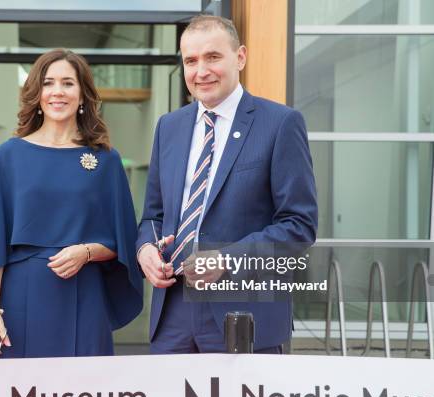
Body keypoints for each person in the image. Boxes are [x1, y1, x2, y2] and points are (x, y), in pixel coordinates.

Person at [136, 15, 318, 354]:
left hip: (246, 311)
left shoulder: (280, 124)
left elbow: (299, 226)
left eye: (213, 57)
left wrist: (227, 259)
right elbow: (153, 215)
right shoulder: (169, 128)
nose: (200, 70)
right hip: (173, 313)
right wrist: (145, 249)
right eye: (190, 60)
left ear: (241, 57)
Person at [0, 49, 143, 358]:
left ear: (82, 95)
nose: (57, 92)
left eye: (68, 83)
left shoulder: (106, 160)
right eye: (49, 83)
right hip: (19, 299)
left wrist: (87, 252)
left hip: (85, 297)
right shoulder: (9, 155)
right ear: (37, 94)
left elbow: (125, 242)